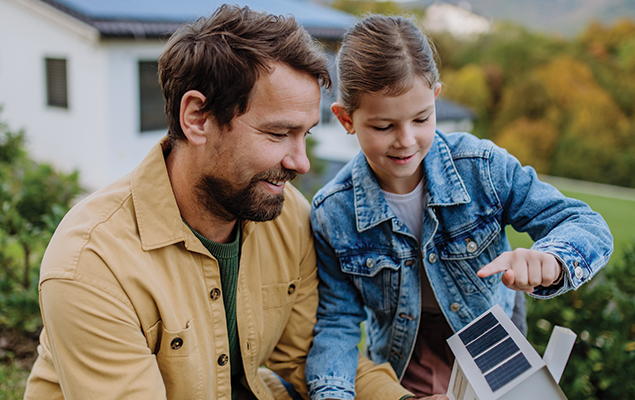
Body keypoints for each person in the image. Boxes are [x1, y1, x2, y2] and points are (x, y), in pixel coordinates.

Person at [24, 6, 410, 400]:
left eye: (305, 134)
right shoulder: (92, 264)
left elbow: (310, 356)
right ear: (197, 117)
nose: (301, 162)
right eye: (279, 134)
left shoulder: (287, 215)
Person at [305, 14, 613, 400]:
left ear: (435, 98)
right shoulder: (332, 212)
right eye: (384, 127)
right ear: (346, 119)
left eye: (421, 119)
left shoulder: (482, 168)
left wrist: (551, 260)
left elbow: (586, 224)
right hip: (403, 373)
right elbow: (337, 322)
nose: (406, 140)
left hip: (498, 365)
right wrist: (333, 393)